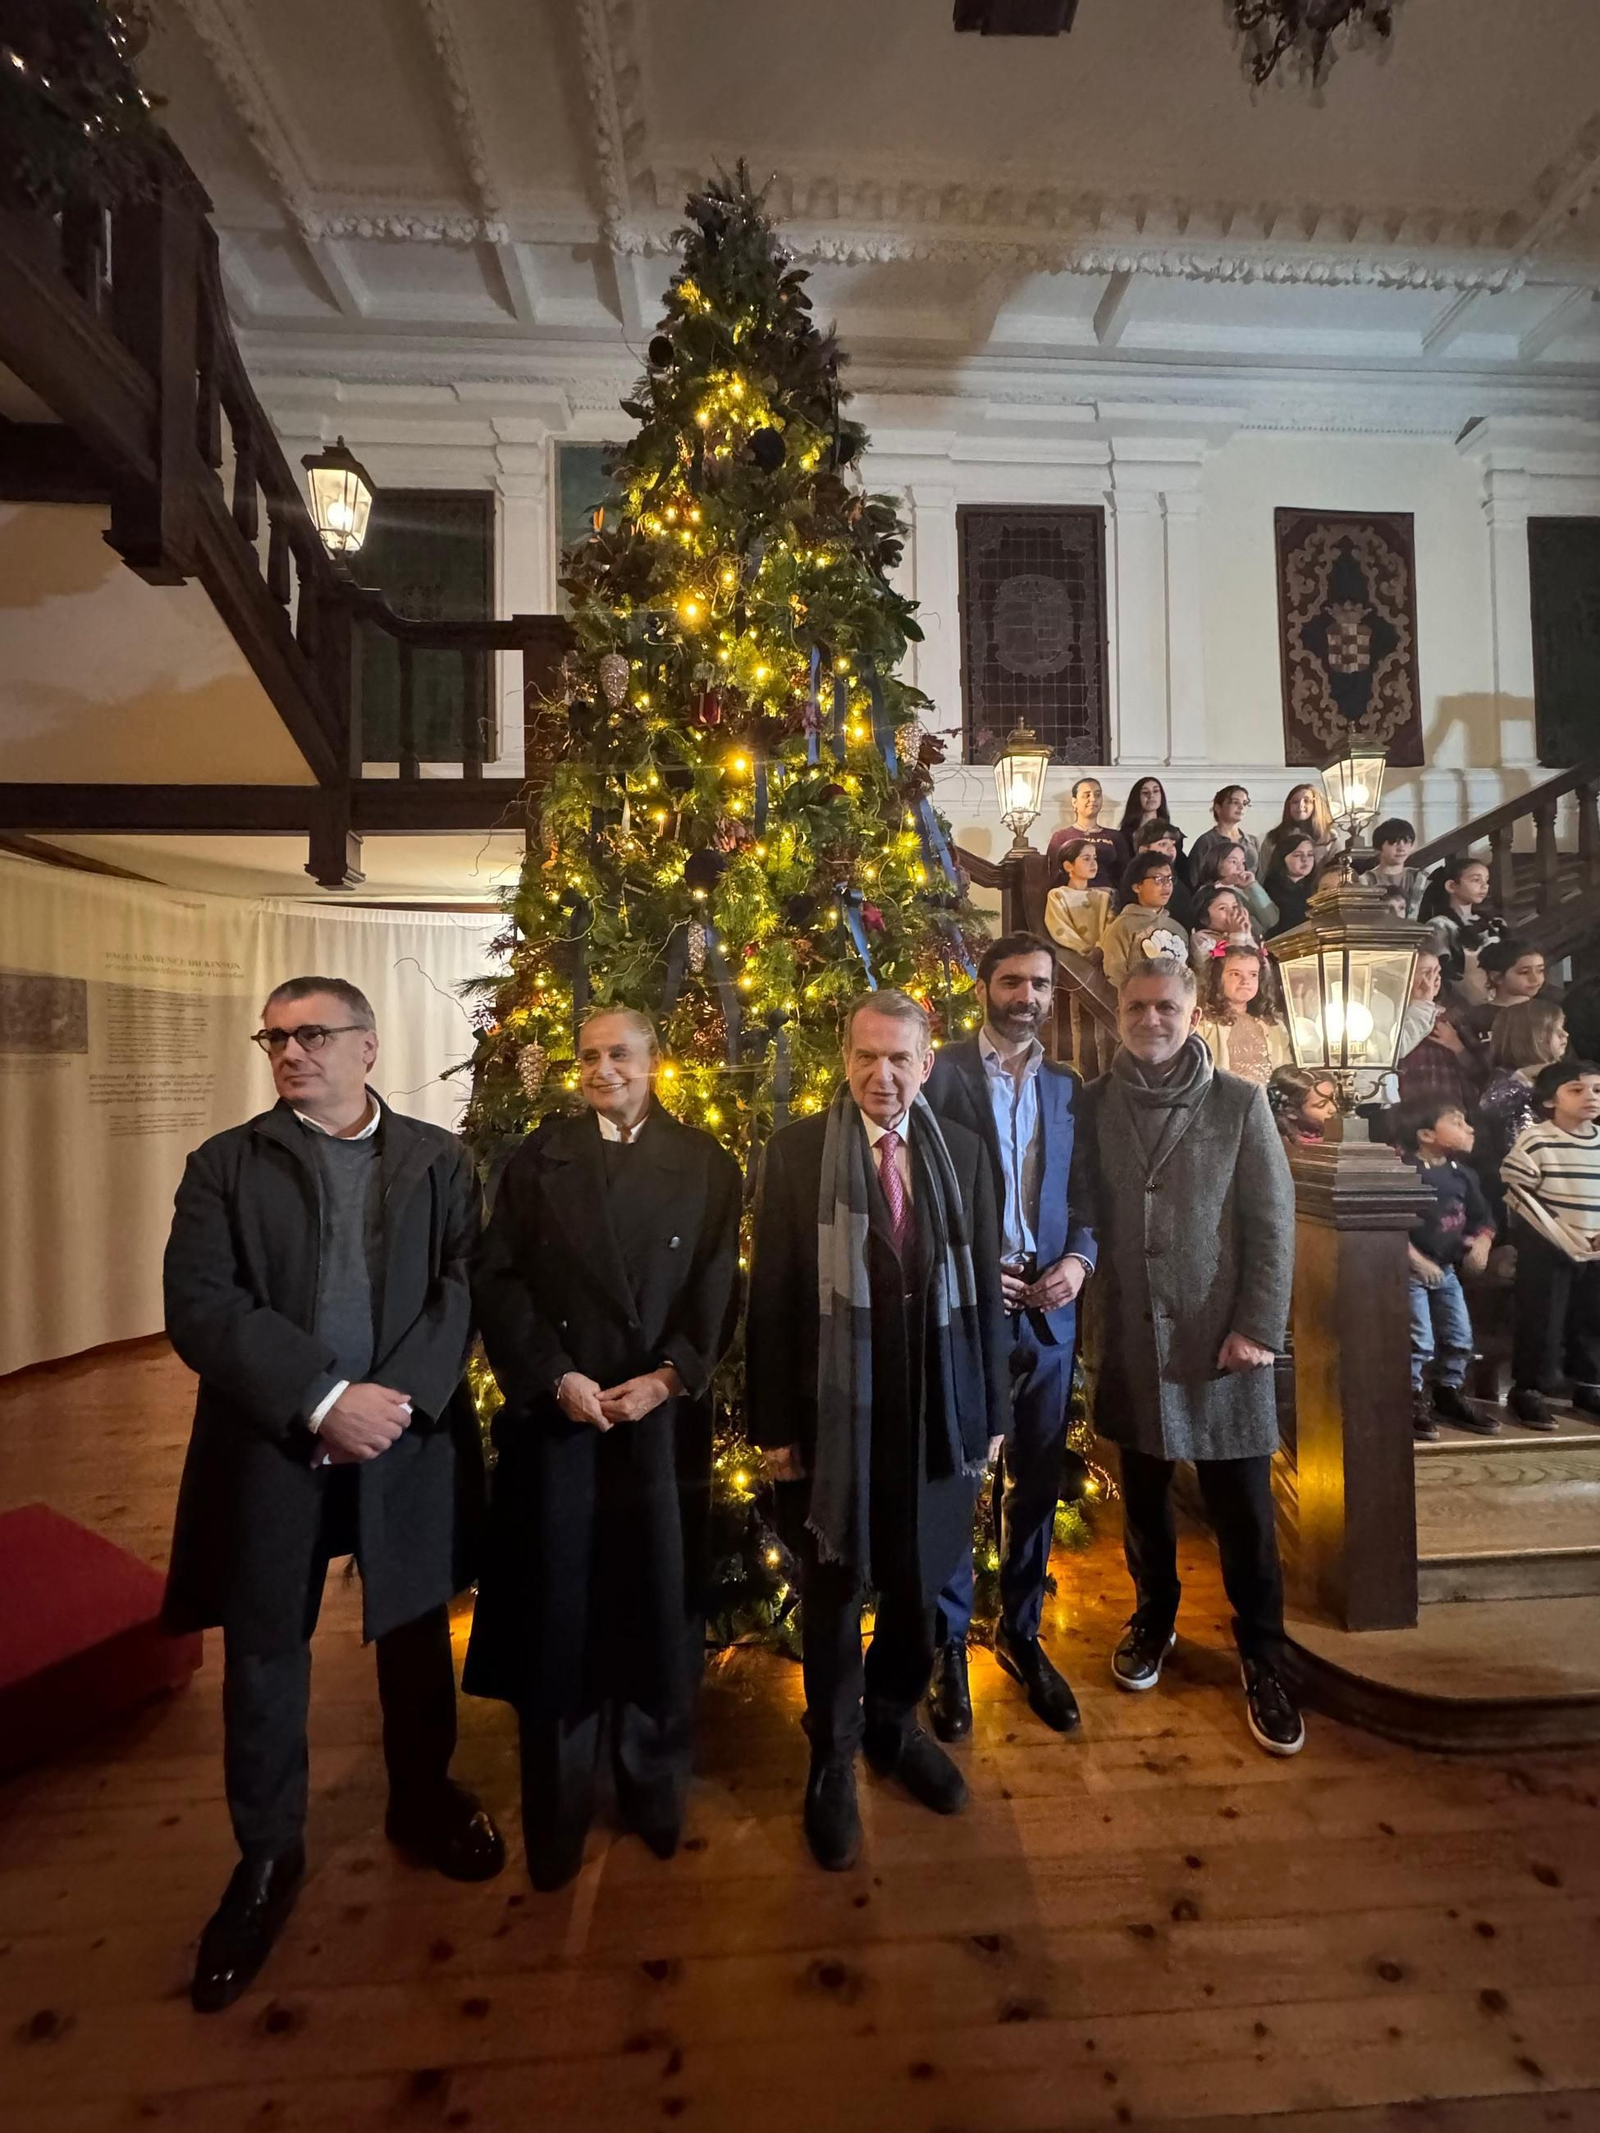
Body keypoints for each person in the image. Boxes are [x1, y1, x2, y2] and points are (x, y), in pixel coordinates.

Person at [162, 977, 502, 2014]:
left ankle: (421, 1798)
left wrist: (391, 1405)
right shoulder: (225, 1165)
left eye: (313, 1035)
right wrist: (321, 1400)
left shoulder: (440, 1160)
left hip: (404, 1436)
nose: (291, 1053)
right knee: (266, 1646)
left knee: (410, 1629)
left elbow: (462, 1283)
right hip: (275, 1443)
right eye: (276, 1037)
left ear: (367, 1045)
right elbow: (202, 1306)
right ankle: (267, 1856)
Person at [464, 1008, 742, 1890]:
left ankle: (654, 1789)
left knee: (656, 1607)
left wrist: (669, 1375)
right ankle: (555, 1808)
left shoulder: (706, 1164)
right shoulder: (537, 1161)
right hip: (564, 1422)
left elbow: (715, 1285)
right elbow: (498, 1282)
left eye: (619, 1053)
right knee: (559, 1615)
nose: (602, 1067)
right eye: (588, 1055)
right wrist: (555, 1376)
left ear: (655, 1062)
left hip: (656, 1425)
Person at [746, 991, 1011, 1871]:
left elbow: (984, 1298)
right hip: (835, 1418)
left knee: (919, 1581)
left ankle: (893, 1724)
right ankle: (832, 1752)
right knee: (831, 1593)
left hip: (936, 1412)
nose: (882, 1075)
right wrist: (776, 1424)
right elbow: (774, 1296)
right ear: (845, 1057)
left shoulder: (966, 1156)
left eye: (900, 1059)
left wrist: (991, 1415)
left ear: (927, 1064)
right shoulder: (793, 1156)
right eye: (866, 1056)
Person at [1082, 958, 1303, 1755]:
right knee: (1142, 1500)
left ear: (1192, 1012)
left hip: (1222, 1342)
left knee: (1243, 1512)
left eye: (1165, 1006)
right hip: (1135, 1340)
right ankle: (1154, 1616)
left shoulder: (1239, 1103)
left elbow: (1273, 1226)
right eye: (1136, 1006)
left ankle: (1264, 1656)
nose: (1151, 1019)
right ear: (1118, 1012)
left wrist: (1259, 1328)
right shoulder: (1095, 1103)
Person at [924, 936, 1098, 1740]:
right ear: (985, 986)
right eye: (1011, 981)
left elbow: (1088, 1193)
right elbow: (919, 1189)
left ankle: (1021, 1634)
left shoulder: (1070, 1088)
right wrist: (964, 1264)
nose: (1024, 995)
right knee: (960, 1483)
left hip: (1050, 1314)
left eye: (1038, 984)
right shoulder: (941, 1073)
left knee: (1034, 1486)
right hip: (970, 1313)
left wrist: (1080, 1261)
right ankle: (948, 1643)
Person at [1501, 1058, 1600, 1429]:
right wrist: (1558, 1231)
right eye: (1576, 1090)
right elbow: (1519, 1191)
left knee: (1593, 1317)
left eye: (1596, 1090)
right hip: (1548, 1245)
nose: (1590, 1097)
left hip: (1595, 1246)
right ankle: (1530, 1389)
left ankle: (1589, 1385)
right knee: (1543, 1317)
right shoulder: (1538, 1138)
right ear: (1549, 1101)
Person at [1394, 1097, 1497, 1442]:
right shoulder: (1403, 1171)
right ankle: (1409, 1398)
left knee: (1459, 1335)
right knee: (1418, 1338)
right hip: (1411, 1270)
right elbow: (1391, 1223)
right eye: (1456, 1122)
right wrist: (1415, 1259)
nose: (1468, 1129)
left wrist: (1481, 1243)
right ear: (1425, 1134)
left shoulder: (1463, 1175)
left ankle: (1448, 1391)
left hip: (1447, 1269)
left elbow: (1483, 1219)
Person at [1476, 1000, 1569, 1230]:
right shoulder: (1506, 1079)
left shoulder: (1562, 1080)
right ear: (1535, 1037)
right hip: (1519, 1185)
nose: (1565, 1035)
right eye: (1557, 1030)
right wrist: (1524, 1078)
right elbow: (1490, 1105)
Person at [1395, 949, 1489, 1118]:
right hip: (1409, 1109)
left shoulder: (1453, 1017)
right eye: (1426, 973)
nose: (1435, 979)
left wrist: (1456, 1046)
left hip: (1454, 1107)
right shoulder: (1391, 1018)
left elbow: (1479, 1070)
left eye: (1437, 972)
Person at [1195, 943, 1292, 1087]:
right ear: (1216, 978)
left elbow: (1286, 1071)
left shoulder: (1273, 1026)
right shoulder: (1202, 1024)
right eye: (1235, 974)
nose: (1245, 981)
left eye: (1253, 974)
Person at [1101, 852, 1190, 988]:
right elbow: (1115, 974)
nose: (1167, 885)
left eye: (1170, 878)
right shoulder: (1123, 926)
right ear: (1137, 887)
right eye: (1158, 879)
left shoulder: (1177, 928)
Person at [1419, 853, 1506, 992]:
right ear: (1451, 886)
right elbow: (1443, 972)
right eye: (1476, 880)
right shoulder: (1439, 925)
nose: (1484, 886)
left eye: (1487, 881)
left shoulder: (1493, 922)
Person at [1046, 776, 1129, 891]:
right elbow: (1053, 874)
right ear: (1074, 802)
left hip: (1108, 898)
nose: (1093, 799)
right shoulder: (1061, 836)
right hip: (1073, 898)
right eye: (1086, 795)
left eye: (1097, 794)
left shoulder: (1115, 837)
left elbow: (1126, 874)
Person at [1044, 836, 1114, 960]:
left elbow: (1111, 927)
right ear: (1068, 866)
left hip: (1105, 957)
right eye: (1086, 859)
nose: (1093, 864)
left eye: (1094, 858)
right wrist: (1085, 949)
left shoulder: (1104, 896)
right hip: (1073, 958)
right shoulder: (1058, 895)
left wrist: (1101, 949)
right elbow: (1060, 928)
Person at [1193, 840, 1278, 938]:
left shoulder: (1246, 888)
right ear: (1217, 862)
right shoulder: (1209, 892)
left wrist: (1253, 886)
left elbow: (1272, 920)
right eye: (1233, 862)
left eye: (1242, 862)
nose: (1240, 867)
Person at [1465, 939, 1547, 1040]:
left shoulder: (1547, 1010)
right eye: (1524, 972)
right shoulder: (1476, 1017)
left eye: (1540, 970)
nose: (1535, 979)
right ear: (1497, 977)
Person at [1123, 821, 1196, 928]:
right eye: (1163, 844)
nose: (1171, 849)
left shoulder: (1180, 887)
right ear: (1144, 850)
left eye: (1173, 844)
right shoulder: (1131, 880)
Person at [1258, 784, 1335, 881]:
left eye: (1306, 801)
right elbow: (1264, 873)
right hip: (1279, 893)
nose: (1300, 805)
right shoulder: (1273, 837)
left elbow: (1335, 874)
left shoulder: (1330, 838)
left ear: (1316, 805)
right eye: (1295, 802)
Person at [1359, 818, 1430, 920]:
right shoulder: (1366, 880)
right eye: (1394, 842)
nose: (1402, 848)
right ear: (1379, 847)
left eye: (1407, 842)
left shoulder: (1419, 878)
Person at [1187, 784, 1258, 882]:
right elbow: (1194, 878)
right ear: (1218, 808)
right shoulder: (1206, 841)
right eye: (1235, 802)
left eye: (1245, 803)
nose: (1241, 807)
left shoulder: (1252, 841)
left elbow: (1260, 876)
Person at [1262, 829, 1320, 938]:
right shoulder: (1270, 888)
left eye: (1310, 854)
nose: (1305, 859)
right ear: (1282, 858)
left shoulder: (1320, 887)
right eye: (1297, 855)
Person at [1267, 1065, 1341, 1149]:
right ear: (1291, 1112)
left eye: (1334, 1099)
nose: (1333, 1109)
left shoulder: (1331, 1129)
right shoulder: (1290, 1149)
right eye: (1321, 1105)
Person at [1118, 776, 1186, 866]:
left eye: (1156, 791)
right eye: (1145, 792)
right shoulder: (1125, 835)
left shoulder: (1173, 832)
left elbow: (1180, 865)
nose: (1151, 796)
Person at [1189, 883, 1259, 965]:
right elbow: (1222, 968)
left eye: (1234, 906)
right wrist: (1236, 935)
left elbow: (1255, 960)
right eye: (1222, 908)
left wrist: (1247, 933)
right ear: (1204, 918)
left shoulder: (1240, 932)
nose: (1232, 912)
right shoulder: (1200, 938)